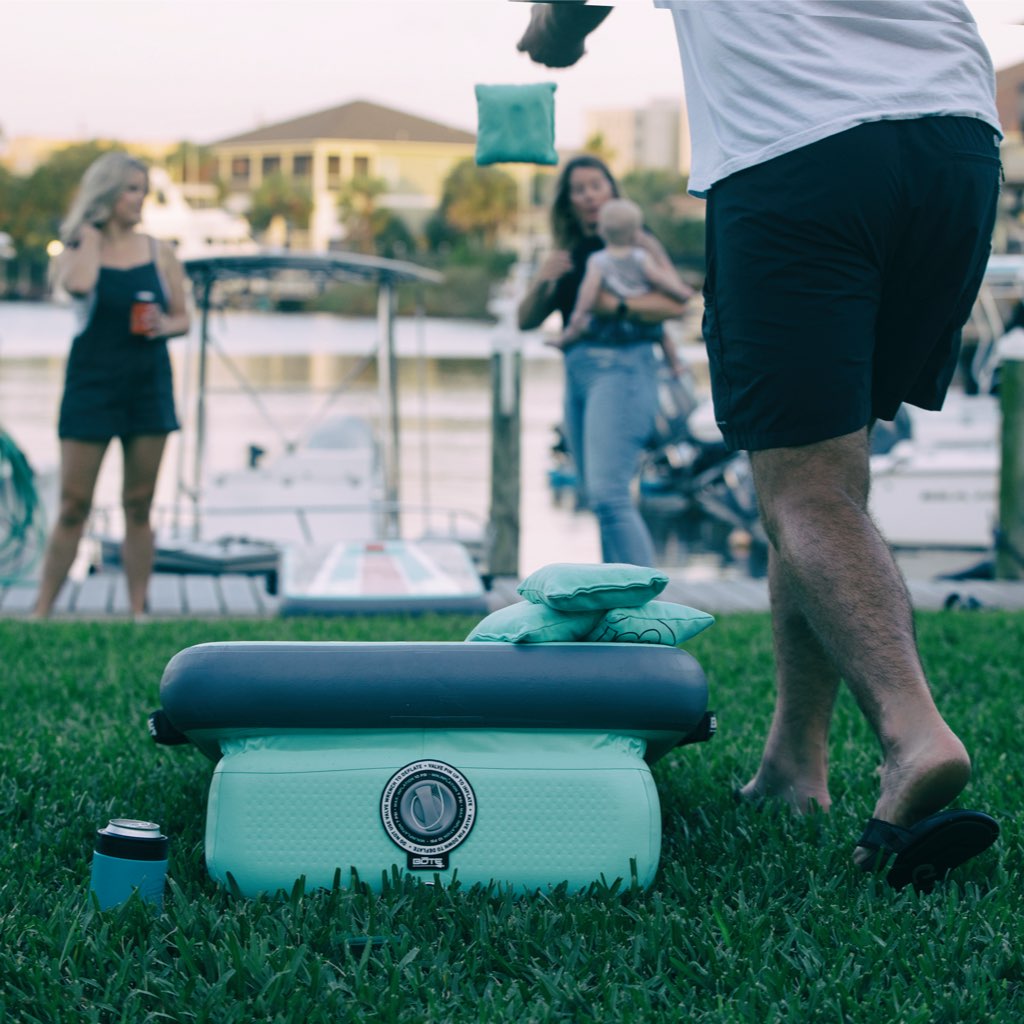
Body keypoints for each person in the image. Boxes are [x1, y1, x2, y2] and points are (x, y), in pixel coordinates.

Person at [517, 0, 1002, 891]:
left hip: (799, 150)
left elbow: (570, 12)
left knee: (805, 490)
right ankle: (793, 764)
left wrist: (554, 34)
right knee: (819, 474)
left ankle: (911, 736)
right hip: (956, 140)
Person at [32, 152, 190, 619]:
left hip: (147, 385)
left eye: (142, 189)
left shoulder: (160, 252)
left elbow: (185, 318)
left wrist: (164, 324)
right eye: (131, 189)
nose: (140, 199)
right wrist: (90, 234)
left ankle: (138, 611)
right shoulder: (82, 245)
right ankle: (41, 611)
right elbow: (79, 287)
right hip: (91, 385)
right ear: (108, 194)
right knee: (72, 504)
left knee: (138, 503)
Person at [518, 154, 691, 567]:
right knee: (596, 496)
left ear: (612, 190)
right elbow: (525, 320)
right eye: (579, 189)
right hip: (578, 374)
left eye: (597, 185)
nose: (590, 195)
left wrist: (615, 306)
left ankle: (644, 605)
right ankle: (617, 599)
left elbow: (675, 302)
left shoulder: (636, 241)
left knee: (611, 495)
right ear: (568, 200)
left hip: (622, 368)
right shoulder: (569, 252)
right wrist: (544, 278)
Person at [554, 197, 692, 348]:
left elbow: (588, 290)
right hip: (641, 322)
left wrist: (578, 315)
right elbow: (658, 278)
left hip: (608, 325)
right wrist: (681, 292)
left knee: (584, 327)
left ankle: (565, 340)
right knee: (662, 334)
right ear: (636, 233)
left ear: (601, 230)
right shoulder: (641, 257)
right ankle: (675, 365)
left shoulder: (598, 260)